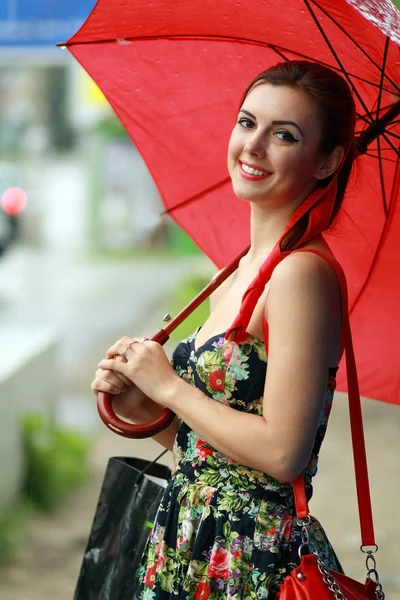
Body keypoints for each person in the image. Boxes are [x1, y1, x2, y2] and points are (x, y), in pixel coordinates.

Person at [91, 60, 357, 599]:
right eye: (246, 122)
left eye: (284, 135)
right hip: (188, 541)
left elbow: (283, 455)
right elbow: (211, 457)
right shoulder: (232, 270)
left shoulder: (301, 274)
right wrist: (145, 407)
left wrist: (169, 385)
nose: (253, 146)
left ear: (328, 161)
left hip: (247, 556)